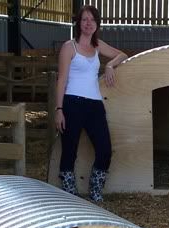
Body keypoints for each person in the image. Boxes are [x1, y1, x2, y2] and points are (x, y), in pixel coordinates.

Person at [55, 5, 127, 201]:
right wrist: (59, 109)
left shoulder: (97, 46)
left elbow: (122, 55)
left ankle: (95, 192)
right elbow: (61, 79)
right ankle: (71, 196)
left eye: (92, 20)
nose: (88, 23)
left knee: (104, 149)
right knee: (69, 150)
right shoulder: (69, 47)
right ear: (79, 23)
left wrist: (110, 65)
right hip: (72, 103)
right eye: (84, 19)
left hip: (95, 105)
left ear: (97, 24)